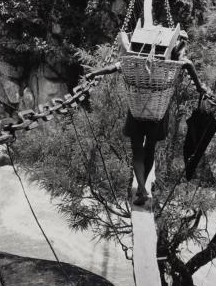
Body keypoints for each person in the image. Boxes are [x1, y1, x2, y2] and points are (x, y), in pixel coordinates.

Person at [85, 30, 206, 206]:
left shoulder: (135, 59)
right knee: (150, 149)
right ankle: (143, 189)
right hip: (158, 111)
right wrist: (200, 87)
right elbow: (189, 65)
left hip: (137, 109)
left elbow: (115, 67)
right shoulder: (174, 61)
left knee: (137, 150)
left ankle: (141, 189)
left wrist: (94, 73)